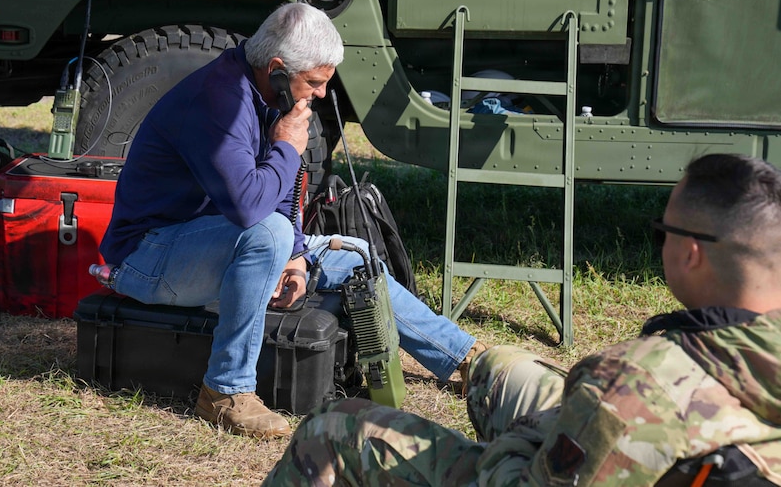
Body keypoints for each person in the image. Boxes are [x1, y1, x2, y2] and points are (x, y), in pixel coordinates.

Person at [263, 153, 781, 485]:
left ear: (691, 253)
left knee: (334, 429)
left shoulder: (638, 385)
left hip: (567, 457)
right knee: (498, 369)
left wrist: (526, 439)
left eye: (660, 230)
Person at [99, 2, 485, 440]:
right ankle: (225, 391)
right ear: (278, 68)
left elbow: (278, 192)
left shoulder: (264, 91)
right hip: (148, 256)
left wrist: (298, 257)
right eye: (315, 82)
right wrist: (287, 148)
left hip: (210, 240)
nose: (321, 93)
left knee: (354, 255)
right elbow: (249, 208)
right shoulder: (217, 102)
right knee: (269, 233)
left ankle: (466, 359)